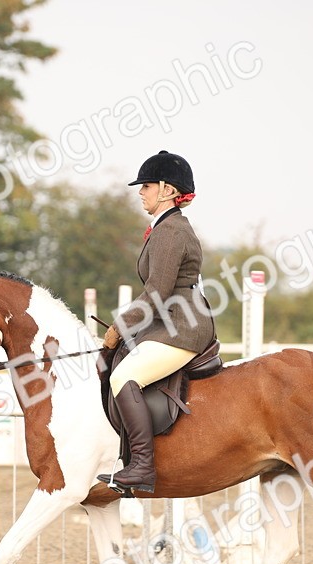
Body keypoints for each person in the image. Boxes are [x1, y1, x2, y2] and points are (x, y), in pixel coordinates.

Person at [98, 150, 216, 494]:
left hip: (183, 327)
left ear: (166, 189)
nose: (140, 192)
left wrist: (120, 325)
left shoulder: (172, 231)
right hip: (169, 322)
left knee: (124, 375)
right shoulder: (165, 227)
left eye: (146, 185)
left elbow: (157, 293)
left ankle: (142, 467)